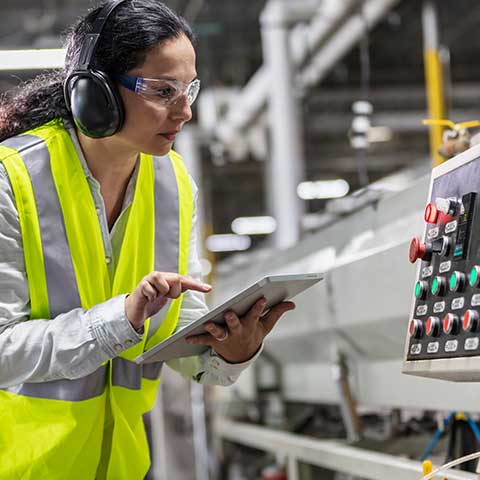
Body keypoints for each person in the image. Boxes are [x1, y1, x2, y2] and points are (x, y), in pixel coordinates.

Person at [0, 1, 295, 478]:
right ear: (94, 93)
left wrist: (230, 352)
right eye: (164, 91)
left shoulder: (174, 184)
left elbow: (182, 333)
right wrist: (122, 317)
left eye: (189, 89)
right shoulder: (11, 180)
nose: (186, 111)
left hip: (122, 468)